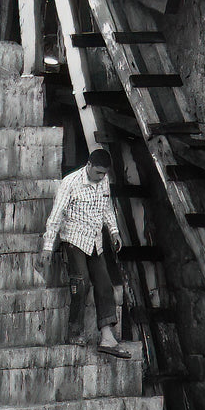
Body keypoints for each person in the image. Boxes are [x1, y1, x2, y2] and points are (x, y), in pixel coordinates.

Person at [37, 148, 131, 358]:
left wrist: (114, 232)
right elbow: (56, 215)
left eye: (103, 174)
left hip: (95, 240)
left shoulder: (103, 181)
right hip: (73, 239)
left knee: (104, 283)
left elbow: (106, 208)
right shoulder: (70, 183)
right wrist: (47, 246)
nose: (100, 177)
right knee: (81, 283)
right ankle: (75, 330)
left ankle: (107, 335)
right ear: (88, 166)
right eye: (98, 172)